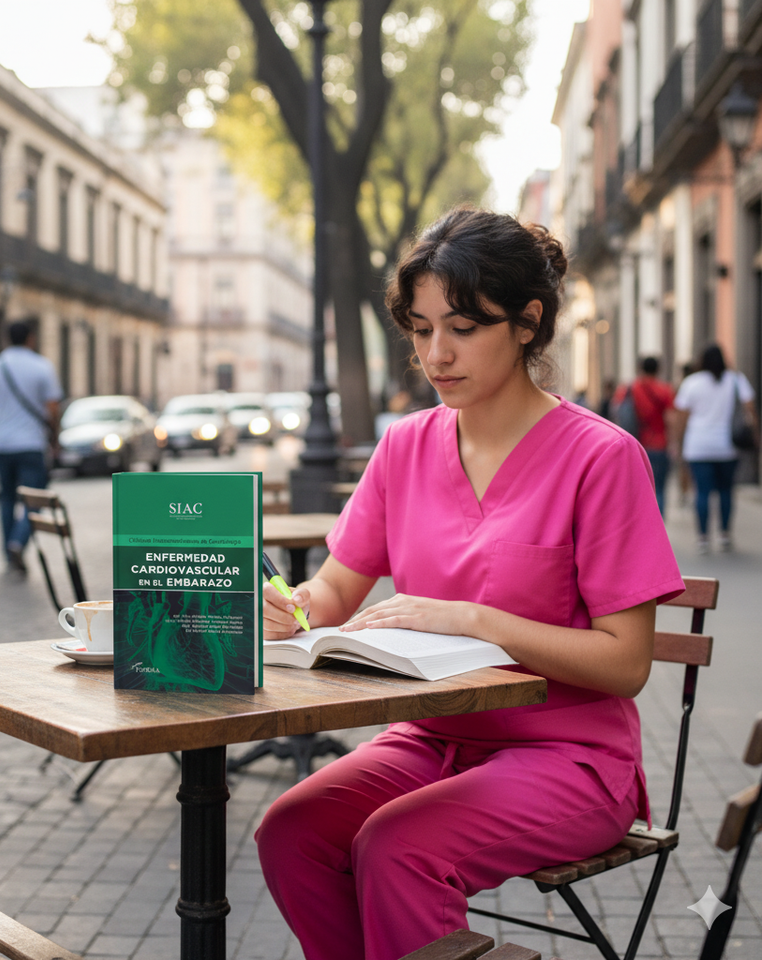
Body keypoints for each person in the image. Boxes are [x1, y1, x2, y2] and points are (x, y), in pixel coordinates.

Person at [256, 208, 684, 960]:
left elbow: (627, 663)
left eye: (462, 326)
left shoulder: (600, 458)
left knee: (398, 846)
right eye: (421, 330)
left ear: (528, 322)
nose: (436, 354)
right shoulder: (405, 447)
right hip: (431, 738)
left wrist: (475, 620)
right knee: (291, 831)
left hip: (571, 758)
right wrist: (285, 610)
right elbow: (331, 592)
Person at [0, 320, 62, 571]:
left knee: (5, 498)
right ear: (31, 339)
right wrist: (54, 439)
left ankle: (8, 551)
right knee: (34, 499)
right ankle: (18, 541)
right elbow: (53, 409)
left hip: (2, 444)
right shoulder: (42, 366)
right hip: (31, 444)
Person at [674, 343, 756, 553]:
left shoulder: (691, 383)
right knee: (726, 491)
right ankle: (725, 535)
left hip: (698, 446)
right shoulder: (736, 380)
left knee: (702, 492)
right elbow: (750, 411)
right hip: (727, 447)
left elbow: (681, 418)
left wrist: (678, 442)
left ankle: (703, 537)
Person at [614, 357, 676, 516]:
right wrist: (674, 444)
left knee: (637, 490)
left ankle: (642, 526)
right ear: (658, 370)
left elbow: (617, 415)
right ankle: (658, 528)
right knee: (660, 489)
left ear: (641, 369)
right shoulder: (665, 390)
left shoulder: (628, 389)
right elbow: (670, 419)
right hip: (659, 445)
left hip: (634, 445)